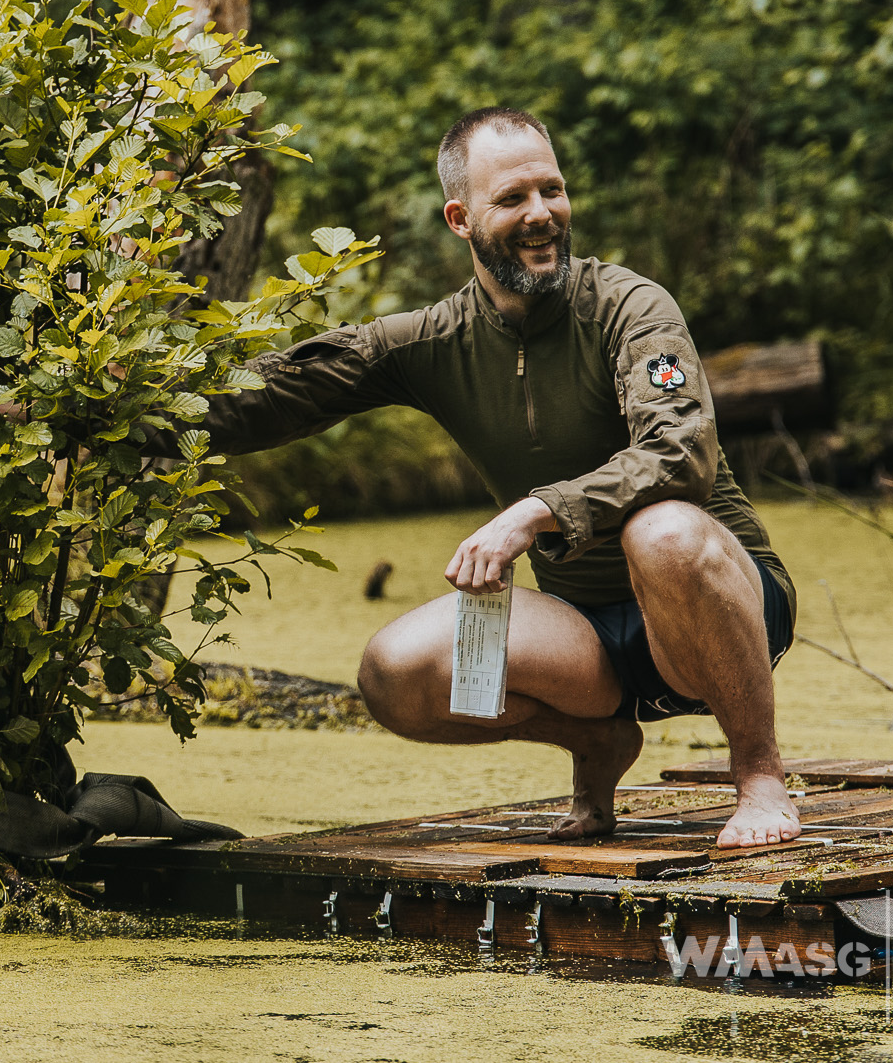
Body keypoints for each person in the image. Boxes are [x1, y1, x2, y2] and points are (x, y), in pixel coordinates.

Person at [182, 107, 801, 848]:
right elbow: (268, 401)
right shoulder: (431, 341)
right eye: (512, 199)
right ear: (461, 217)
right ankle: (596, 740)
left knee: (661, 530)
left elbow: (681, 455)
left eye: (553, 190)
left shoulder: (632, 308)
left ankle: (760, 776)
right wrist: (99, 402)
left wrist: (534, 512)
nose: (541, 214)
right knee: (393, 670)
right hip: (589, 638)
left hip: (718, 603)